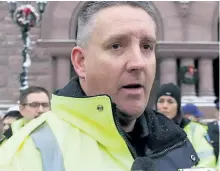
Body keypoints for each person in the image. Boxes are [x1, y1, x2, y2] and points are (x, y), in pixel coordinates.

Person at [0, 2, 199, 171]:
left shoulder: (176, 141)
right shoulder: (25, 155)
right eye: (116, 46)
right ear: (81, 62)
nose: (138, 63)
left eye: (147, 46)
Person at [156, 82, 216, 168]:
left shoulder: (196, 130)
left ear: (178, 106)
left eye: (170, 102)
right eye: (161, 101)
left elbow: (207, 163)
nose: (165, 106)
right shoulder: (145, 131)